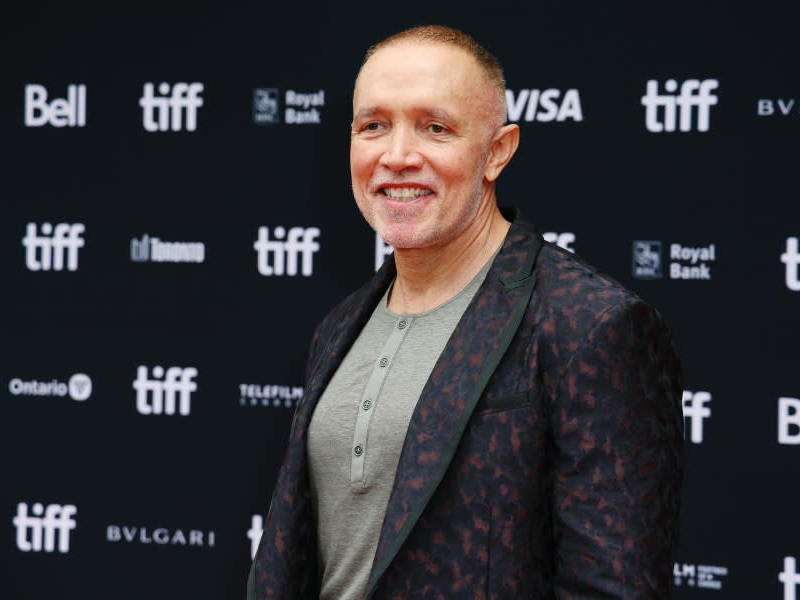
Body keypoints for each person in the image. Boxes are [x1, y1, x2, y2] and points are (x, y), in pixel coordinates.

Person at [248, 24, 683, 600]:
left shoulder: (589, 325)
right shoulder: (339, 326)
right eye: (373, 126)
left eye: (436, 128)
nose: (397, 156)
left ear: (498, 151)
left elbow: (614, 588)